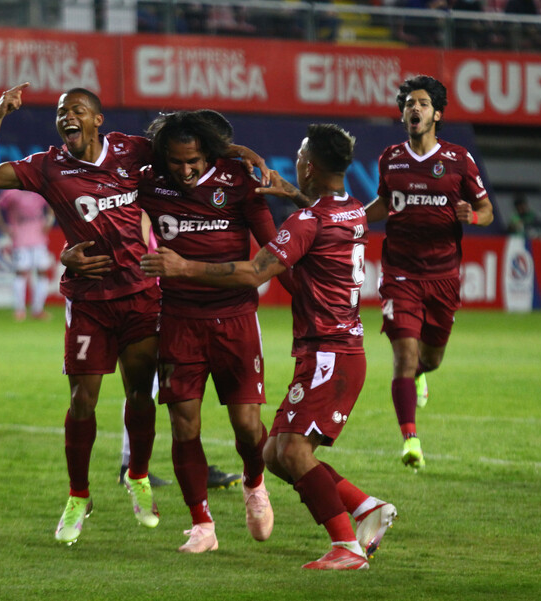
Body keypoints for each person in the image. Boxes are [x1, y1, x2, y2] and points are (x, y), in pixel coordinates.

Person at [142, 123, 397, 569]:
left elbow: (253, 273)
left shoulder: (307, 221)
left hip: (330, 353)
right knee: (274, 454)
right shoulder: (352, 209)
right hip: (331, 349)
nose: (293, 160)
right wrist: (292, 193)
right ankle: (364, 507)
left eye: (299, 154)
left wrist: (183, 265)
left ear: (310, 165)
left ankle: (346, 546)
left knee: (292, 452)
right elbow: (320, 215)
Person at [0, 84, 165, 546]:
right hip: (89, 300)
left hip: (140, 293)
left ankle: (137, 476)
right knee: (82, 400)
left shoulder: (131, 149)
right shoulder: (48, 165)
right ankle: (79, 496)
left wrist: (228, 148)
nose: (67, 117)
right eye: (61, 113)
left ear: (99, 119)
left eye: (77, 110)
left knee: (141, 394)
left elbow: (186, 148)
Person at [136, 110, 279, 553]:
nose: (185, 170)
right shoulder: (148, 179)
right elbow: (98, 181)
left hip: (235, 318)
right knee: (183, 424)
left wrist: (237, 153)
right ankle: (202, 524)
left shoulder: (238, 180)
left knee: (247, 424)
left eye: (194, 160)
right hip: (178, 318)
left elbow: (270, 255)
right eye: (176, 162)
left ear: (208, 154)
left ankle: (254, 483)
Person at [365, 75, 493, 470]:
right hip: (400, 273)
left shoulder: (459, 160)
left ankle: (422, 374)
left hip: (443, 277)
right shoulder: (390, 158)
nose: (414, 109)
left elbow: (487, 211)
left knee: (430, 359)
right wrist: (347, 219)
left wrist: (471, 214)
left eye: (422, 103)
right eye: (408, 104)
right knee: (404, 355)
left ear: (436, 113)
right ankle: (410, 439)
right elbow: (385, 205)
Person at [116, 109, 242, 492]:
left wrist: (243, 154)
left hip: (165, 290)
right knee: (151, 383)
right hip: (147, 291)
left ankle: (179, 463)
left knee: (172, 386)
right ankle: (131, 465)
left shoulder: (186, 181)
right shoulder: (148, 184)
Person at [0, 189, 55, 321]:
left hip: (39, 238)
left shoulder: (38, 190)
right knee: (21, 273)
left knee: (42, 272)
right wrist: (3, 227)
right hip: (21, 239)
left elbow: (53, 203)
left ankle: (37, 310)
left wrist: (49, 221)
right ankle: (19, 310)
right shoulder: (11, 193)